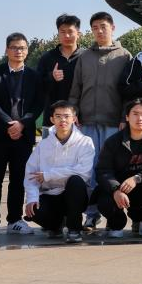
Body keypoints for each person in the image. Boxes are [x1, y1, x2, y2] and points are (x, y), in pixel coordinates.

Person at [68, 11, 134, 229]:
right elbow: (76, 88)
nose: (99, 31)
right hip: (86, 122)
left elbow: (128, 92)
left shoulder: (124, 56)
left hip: (114, 123)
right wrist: (73, 111)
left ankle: (113, 213)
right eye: (95, 27)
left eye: (103, 26)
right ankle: (91, 213)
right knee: (88, 169)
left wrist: (124, 116)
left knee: (110, 169)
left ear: (112, 28)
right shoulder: (84, 56)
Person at [0, 33, 43, 237]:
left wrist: (22, 124)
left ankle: (15, 220)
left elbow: (38, 104)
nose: (19, 51)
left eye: (22, 48)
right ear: (7, 50)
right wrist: (9, 124)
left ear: (27, 51)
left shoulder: (34, 76)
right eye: (14, 47)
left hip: (23, 136)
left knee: (18, 179)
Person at [95, 99, 142, 240]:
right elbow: (103, 170)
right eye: (135, 114)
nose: (140, 118)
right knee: (103, 199)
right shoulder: (113, 141)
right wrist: (115, 189)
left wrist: (138, 178)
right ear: (127, 117)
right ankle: (117, 224)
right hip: (121, 187)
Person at [23, 100, 95, 243]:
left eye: (67, 116)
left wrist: (49, 175)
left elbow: (84, 172)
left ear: (74, 119)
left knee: (76, 180)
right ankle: (56, 225)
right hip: (50, 194)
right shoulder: (43, 145)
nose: (63, 120)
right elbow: (31, 173)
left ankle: (74, 229)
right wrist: (32, 197)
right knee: (34, 211)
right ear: (52, 119)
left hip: (74, 195)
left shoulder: (85, 142)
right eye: (58, 116)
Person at [36, 14, 85, 123]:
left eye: (70, 32)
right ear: (58, 33)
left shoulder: (86, 57)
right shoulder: (47, 58)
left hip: (81, 119)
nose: (66, 35)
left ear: (78, 34)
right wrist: (51, 77)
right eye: (62, 32)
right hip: (53, 119)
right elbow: (37, 87)